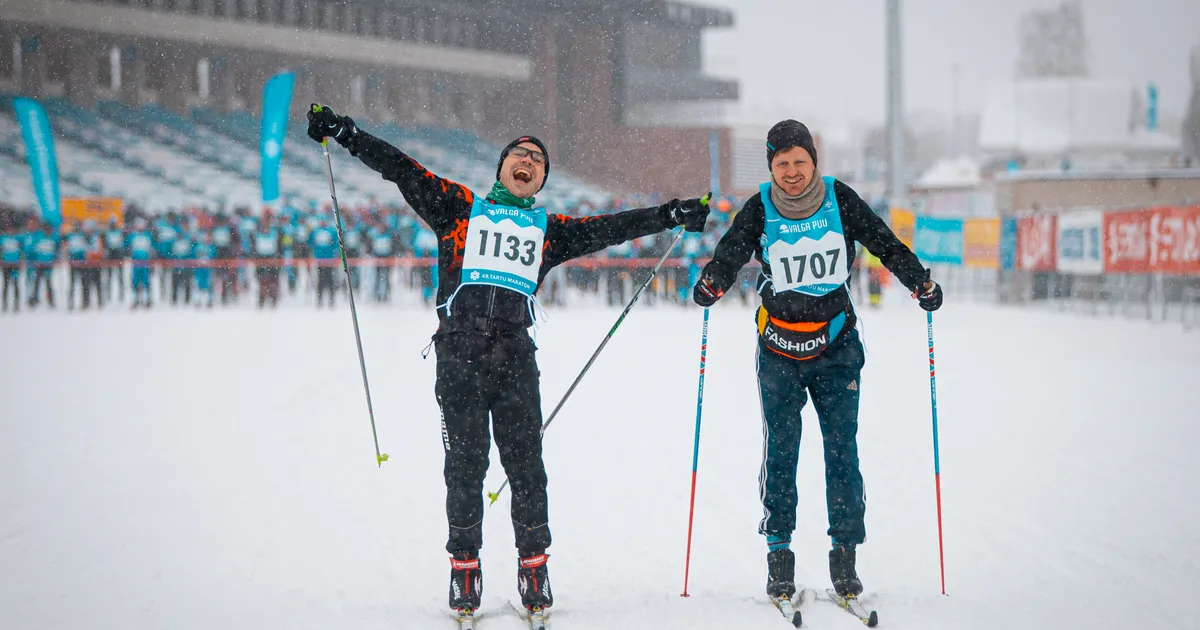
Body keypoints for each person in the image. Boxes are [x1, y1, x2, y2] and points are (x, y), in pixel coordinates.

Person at [307, 103, 710, 620]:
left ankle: (534, 566)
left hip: (515, 359)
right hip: (458, 356)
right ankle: (464, 567)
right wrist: (346, 133)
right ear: (501, 168)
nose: (527, 161)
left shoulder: (549, 230)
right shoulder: (458, 207)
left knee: (527, 470)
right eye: (519, 154)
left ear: (540, 179)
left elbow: (612, 227)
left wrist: (669, 214)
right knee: (465, 468)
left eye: (537, 159)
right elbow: (401, 168)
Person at [691, 120, 943, 603]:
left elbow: (883, 241)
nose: (791, 172)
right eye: (781, 163)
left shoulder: (838, 197)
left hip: (836, 349)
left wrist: (919, 283)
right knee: (781, 454)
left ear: (814, 162)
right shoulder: (759, 207)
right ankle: (778, 555)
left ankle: (844, 554)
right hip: (779, 351)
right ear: (771, 167)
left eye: (799, 161)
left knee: (841, 452)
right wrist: (712, 284)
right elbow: (729, 254)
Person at [103, 216, 127, 306]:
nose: (113, 225)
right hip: (110, 255)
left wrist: (121, 252)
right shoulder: (107, 232)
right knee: (109, 276)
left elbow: (122, 243)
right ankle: (108, 294)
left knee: (120, 277)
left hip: (118, 255)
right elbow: (106, 244)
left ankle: (121, 295)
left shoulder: (119, 232)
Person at [1, 220, 24, 312]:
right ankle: (5, 303)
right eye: (8, 229)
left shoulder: (18, 238)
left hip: (15, 265)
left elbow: (22, 251)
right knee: (5, 285)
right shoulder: (2, 238)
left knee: (15, 284)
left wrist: (21, 261)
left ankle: (16, 303)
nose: (10, 230)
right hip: (6, 265)